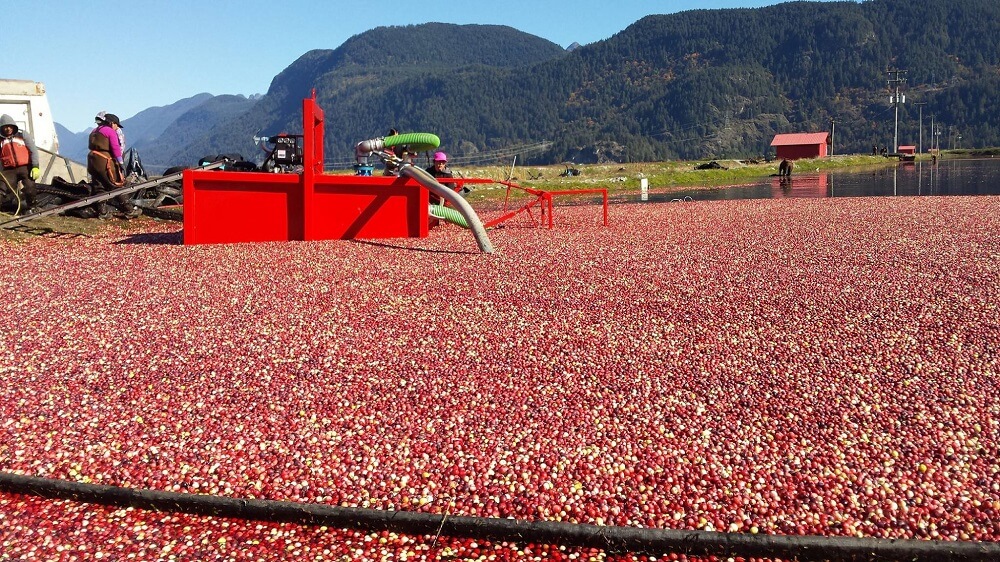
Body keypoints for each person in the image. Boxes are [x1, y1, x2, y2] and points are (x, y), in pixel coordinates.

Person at [89, 113, 140, 219]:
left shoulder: (94, 131)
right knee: (116, 184)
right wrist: (121, 163)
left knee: (100, 187)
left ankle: (102, 213)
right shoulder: (110, 131)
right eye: (117, 125)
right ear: (112, 123)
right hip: (105, 160)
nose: (117, 127)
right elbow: (115, 148)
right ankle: (129, 210)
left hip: (92, 160)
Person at [0, 114, 40, 214]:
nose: (8, 129)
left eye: (9, 126)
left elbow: (33, 151)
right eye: (5, 127)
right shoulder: (0, 140)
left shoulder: (22, 135)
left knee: (30, 187)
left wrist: (35, 166)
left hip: (25, 167)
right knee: (2, 189)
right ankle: (8, 208)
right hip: (8, 170)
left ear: (13, 126)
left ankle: (32, 207)